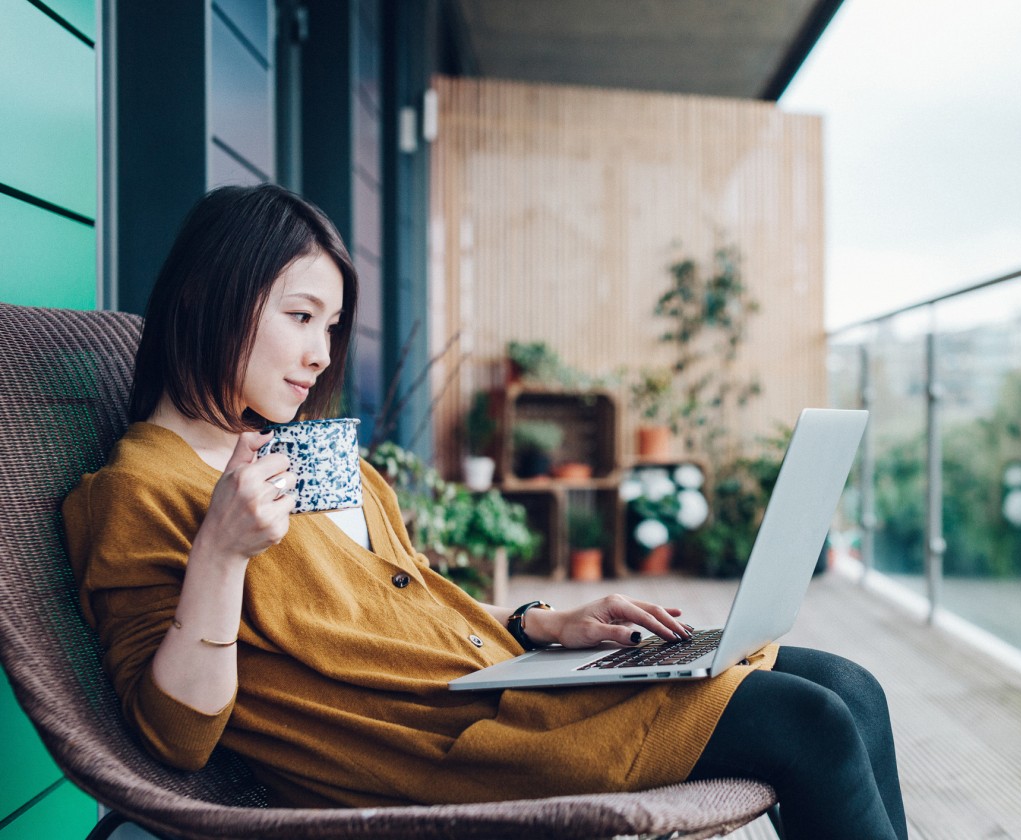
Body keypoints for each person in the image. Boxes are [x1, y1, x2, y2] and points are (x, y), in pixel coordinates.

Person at [62, 184, 907, 839]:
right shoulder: (139, 490)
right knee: (811, 723)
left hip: (496, 684)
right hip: (437, 748)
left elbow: (406, 598)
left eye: (332, 324)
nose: (321, 353)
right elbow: (173, 737)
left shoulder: (297, 447)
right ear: (210, 298)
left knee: (850, 686)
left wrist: (546, 625)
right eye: (300, 317)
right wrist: (221, 554)